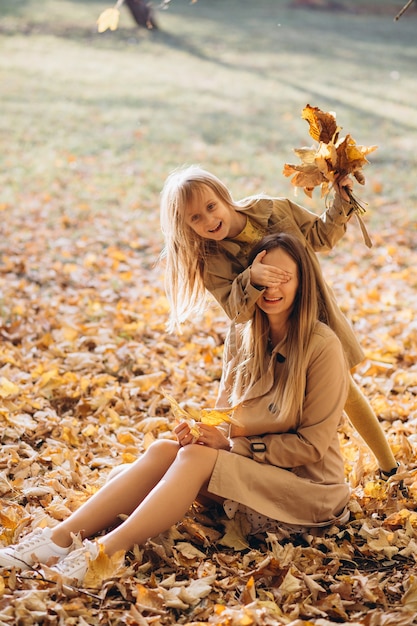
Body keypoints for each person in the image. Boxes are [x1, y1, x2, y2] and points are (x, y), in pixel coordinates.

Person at [0, 233, 351, 586]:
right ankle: (58, 540)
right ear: (250, 277)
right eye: (264, 275)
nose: (271, 287)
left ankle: (102, 553)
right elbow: (226, 418)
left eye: (284, 277)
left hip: (309, 489)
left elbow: (312, 446)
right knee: (166, 449)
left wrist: (229, 446)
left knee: (195, 459)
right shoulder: (243, 334)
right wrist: (204, 433)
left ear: (304, 282)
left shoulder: (322, 347)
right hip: (254, 471)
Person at [159, 164, 398, 479]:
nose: (208, 220)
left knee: (345, 391)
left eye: (211, 206)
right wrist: (251, 278)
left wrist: (341, 203)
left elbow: (320, 237)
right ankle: (266, 475)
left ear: (224, 197)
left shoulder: (273, 210)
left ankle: (389, 467)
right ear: (186, 225)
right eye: (195, 218)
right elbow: (236, 311)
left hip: (313, 315)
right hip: (269, 338)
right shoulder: (212, 259)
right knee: (276, 407)